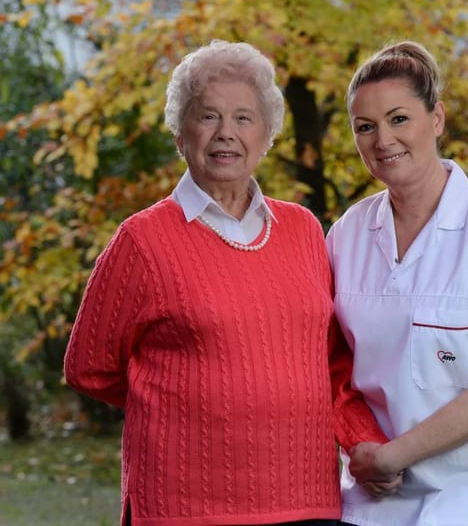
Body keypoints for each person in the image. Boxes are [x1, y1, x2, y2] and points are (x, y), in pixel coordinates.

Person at [64, 39, 392, 526]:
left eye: (243, 118)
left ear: (266, 135)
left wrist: (364, 440)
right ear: (181, 133)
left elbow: (329, 363)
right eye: (207, 116)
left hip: (306, 500)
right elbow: (88, 368)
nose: (226, 133)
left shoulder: (303, 229)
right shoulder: (142, 240)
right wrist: (188, 405)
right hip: (186, 507)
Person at [325, 41, 468, 526]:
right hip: (370, 505)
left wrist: (394, 455)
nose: (383, 139)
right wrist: (366, 450)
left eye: (399, 119)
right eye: (366, 127)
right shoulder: (347, 234)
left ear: (438, 119)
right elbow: (333, 366)